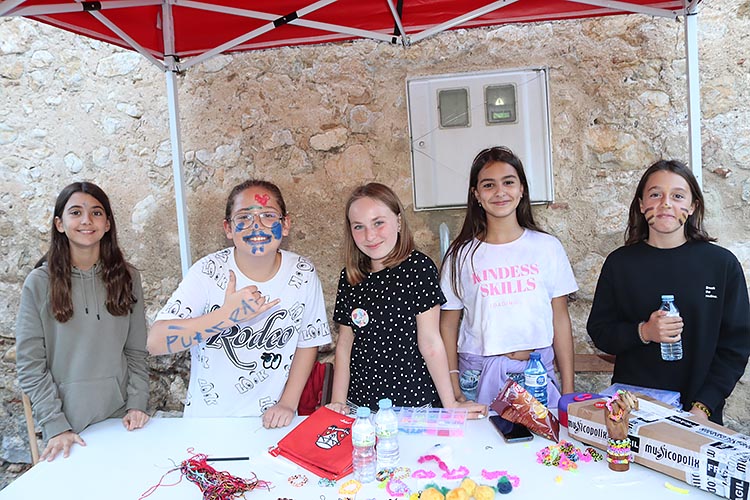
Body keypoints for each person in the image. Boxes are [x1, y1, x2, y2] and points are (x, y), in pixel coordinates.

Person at [148, 180, 331, 428]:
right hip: (208, 423)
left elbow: (307, 342)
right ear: (228, 228)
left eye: (268, 216)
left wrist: (288, 403)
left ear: (285, 224)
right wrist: (225, 317)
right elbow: (156, 342)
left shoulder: (303, 272)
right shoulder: (208, 272)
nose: (257, 226)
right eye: (244, 217)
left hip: (274, 422)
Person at [587, 159, 750, 424]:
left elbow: (736, 346)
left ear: (693, 205)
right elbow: (600, 332)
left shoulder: (721, 265)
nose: (665, 203)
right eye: (655, 194)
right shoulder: (620, 263)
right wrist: (644, 332)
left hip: (699, 414)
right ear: (641, 204)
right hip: (633, 412)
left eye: (677, 196)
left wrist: (703, 407)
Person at [16, 182, 150, 461]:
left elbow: (136, 351)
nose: (87, 220)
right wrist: (56, 426)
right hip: (67, 430)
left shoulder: (128, 278)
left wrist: (137, 404)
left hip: (121, 422)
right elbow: (30, 366)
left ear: (107, 224)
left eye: (96, 213)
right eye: (76, 212)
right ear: (60, 224)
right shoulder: (39, 283)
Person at [327, 182, 486, 417]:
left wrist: (450, 404)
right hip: (359, 407)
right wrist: (338, 403)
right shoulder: (350, 277)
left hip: (412, 405)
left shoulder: (418, 269)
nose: (370, 235)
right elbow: (344, 345)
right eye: (359, 226)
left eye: (378, 223)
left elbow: (430, 342)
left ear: (399, 221)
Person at [440, 146, 577, 407]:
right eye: (488, 185)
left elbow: (560, 319)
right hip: (478, 377)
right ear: (476, 194)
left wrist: (568, 389)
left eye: (508, 182)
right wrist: (454, 386)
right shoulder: (460, 256)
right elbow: (447, 325)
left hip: (536, 376)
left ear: (522, 188)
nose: (500, 192)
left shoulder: (547, 247)